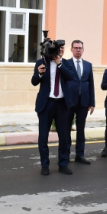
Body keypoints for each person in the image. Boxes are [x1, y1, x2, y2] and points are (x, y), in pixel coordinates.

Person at [32, 42, 77, 175]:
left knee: (64, 136)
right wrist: (39, 74)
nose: (60, 51)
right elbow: (34, 81)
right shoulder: (41, 62)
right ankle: (45, 165)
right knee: (43, 136)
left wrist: (59, 63)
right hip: (46, 104)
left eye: (62, 49)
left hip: (62, 104)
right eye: (57, 49)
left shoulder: (67, 63)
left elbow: (70, 77)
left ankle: (63, 164)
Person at [65, 40, 95, 164]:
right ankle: (65, 155)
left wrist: (92, 102)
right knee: (66, 130)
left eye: (80, 48)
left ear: (83, 50)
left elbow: (91, 84)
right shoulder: (66, 64)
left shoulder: (88, 65)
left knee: (81, 129)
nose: (78, 50)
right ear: (71, 49)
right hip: (69, 102)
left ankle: (80, 154)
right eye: (75, 48)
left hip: (83, 102)